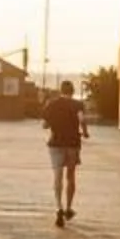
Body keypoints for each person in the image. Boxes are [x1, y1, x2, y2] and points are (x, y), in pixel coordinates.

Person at [40, 85, 88, 225]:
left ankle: (58, 207)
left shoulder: (52, 104)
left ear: (61, 91)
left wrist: (54, 123)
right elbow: (82, 119)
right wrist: (85, 132)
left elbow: (44, 125)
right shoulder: (77, 104)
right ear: (72, 91)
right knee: (70, 176)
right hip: (73, 144)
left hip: (56, 143)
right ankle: (68, 208)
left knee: (58, 175)